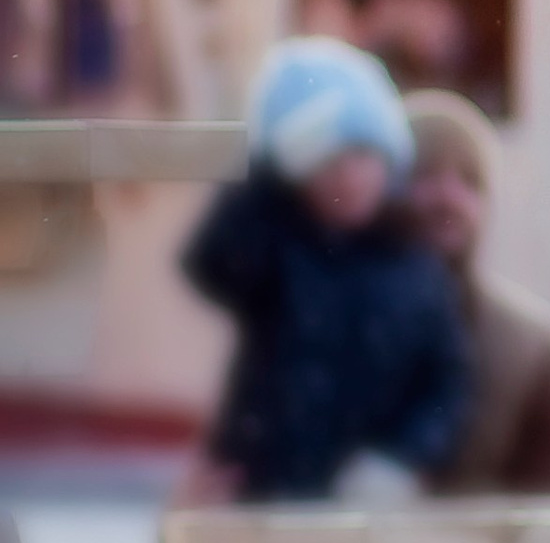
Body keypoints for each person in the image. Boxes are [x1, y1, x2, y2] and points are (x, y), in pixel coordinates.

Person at [182, 39, 472, 505]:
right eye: (326, 160)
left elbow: (446, 382)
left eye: (363, 155)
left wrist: (402, 458)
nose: (348, 176)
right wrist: (265, 169)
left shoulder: (416, 265)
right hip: (267, 488)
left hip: (366, 497)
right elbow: (210, 263)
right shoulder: (277, 246)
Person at [401, 90, 550, 494]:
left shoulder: (533, 347)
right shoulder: (332, 329)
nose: (448, 198)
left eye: (470, 180)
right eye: (426, 174)